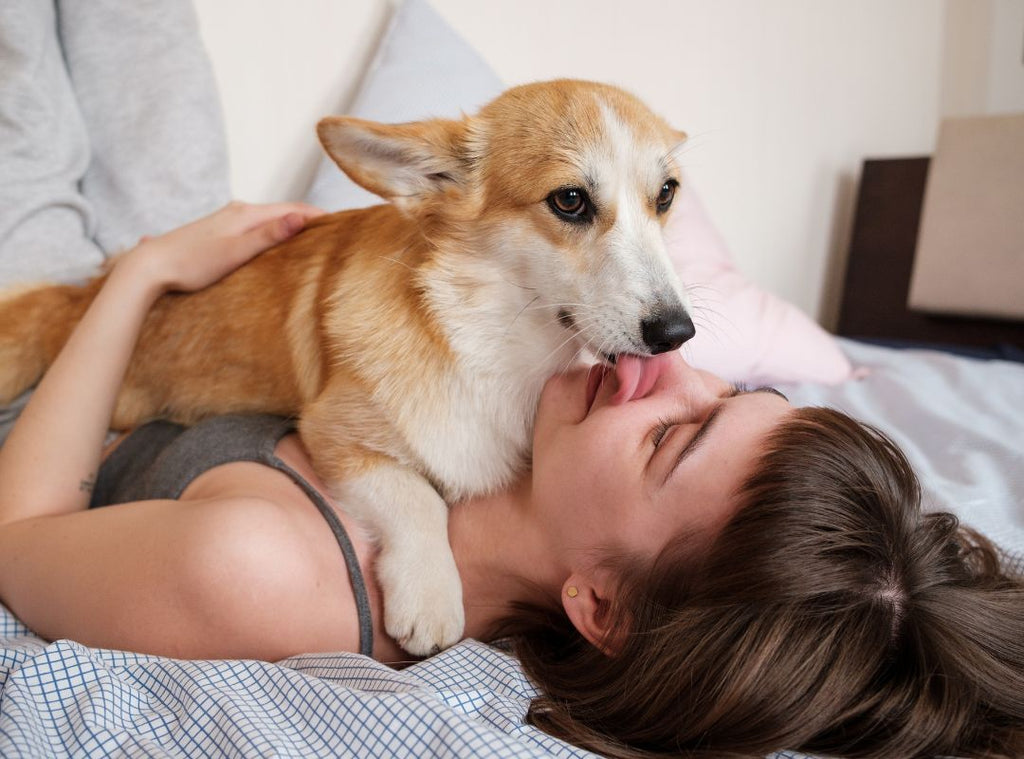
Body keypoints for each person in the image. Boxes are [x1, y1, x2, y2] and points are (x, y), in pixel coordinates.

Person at [0, 204, 1020, 759]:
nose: (667, 367)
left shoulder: (267, 571)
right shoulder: (528, 425)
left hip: (45, 366)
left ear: (602, 605)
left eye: (672, 440)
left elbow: (21, 530)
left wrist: (142, 275)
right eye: (734, 388)